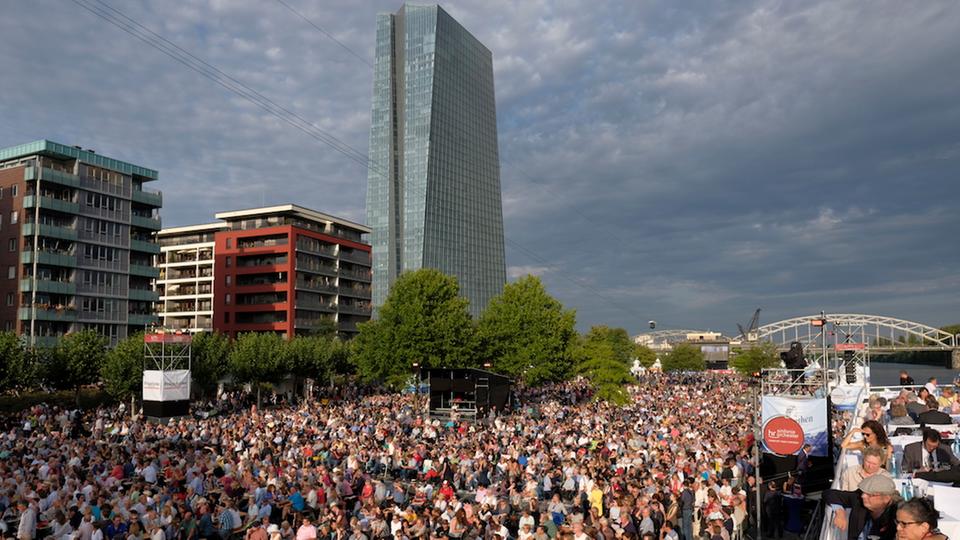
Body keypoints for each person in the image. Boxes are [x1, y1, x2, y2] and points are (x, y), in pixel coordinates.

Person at [823, 474, 900, 540]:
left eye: (870, 494)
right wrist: (839, 511)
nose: (863, 496)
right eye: (863, 492)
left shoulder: (897, 517)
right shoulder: (859, 499)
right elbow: (829, 493)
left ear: (886, 499)